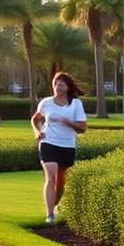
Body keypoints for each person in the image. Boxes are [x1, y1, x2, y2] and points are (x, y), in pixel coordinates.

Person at [30, 71, 87, 224]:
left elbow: (82, 128)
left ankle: (54, 205)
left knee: (60, 181)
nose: (58, 87)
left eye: (61, 85)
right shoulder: (46, 103)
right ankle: (49, 214)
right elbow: (35, 119)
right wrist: (37, 131)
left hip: (67, 145)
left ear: (67, 87)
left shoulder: (76, 104)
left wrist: (70, 123)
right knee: (51, 176)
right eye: (55, 84)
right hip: (48, 142)